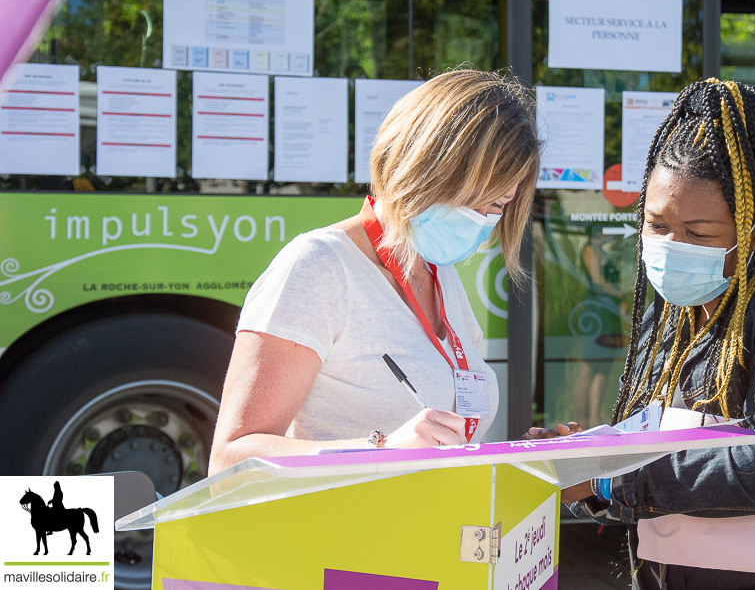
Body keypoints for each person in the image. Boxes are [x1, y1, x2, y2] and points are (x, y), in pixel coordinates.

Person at [531, 80, 755, 589]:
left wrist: (610, 477)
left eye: (699, 233)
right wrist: (589, 459)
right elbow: (656, 443)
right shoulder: (669, 307)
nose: (670, 246)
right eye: (656, 225)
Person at [208, 70, 540, 474]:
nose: (482, 221)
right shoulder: (318, 265)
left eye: (498, 206)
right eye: (474, 200)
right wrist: (380, 449)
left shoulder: (438, 272)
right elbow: (230, 459)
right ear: (423, 166)